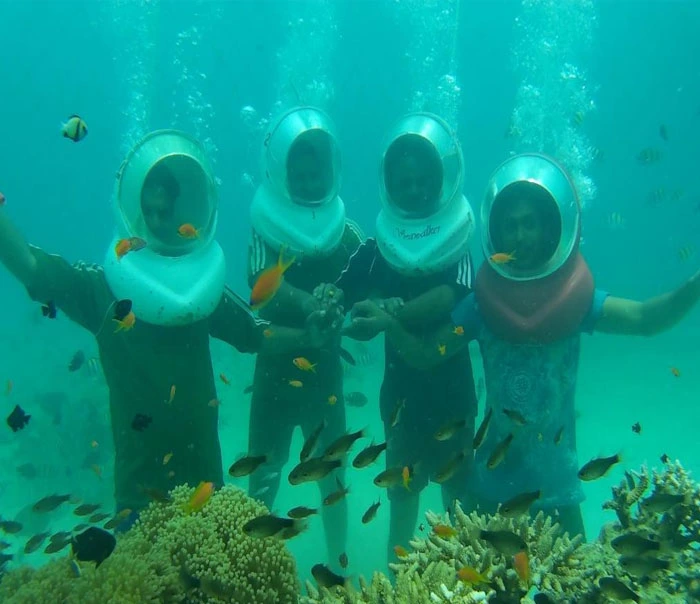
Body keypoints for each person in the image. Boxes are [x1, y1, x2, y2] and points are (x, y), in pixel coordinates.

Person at [366, 152, 700, 538]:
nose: (520, 236)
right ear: (497, 231)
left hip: (557, 486)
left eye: (530, 223)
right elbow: (428, 355)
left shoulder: (576, 300)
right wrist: (391, 325)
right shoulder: (481, 304)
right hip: (489, 481)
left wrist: (692, 288)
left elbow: (644, 320)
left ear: (549, 227)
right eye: (510, 225)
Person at [0, 129, 330, 516]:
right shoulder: (102, 288)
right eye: (148, 211)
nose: (155, 222)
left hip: (207, 488)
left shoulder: (201, 290)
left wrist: (308, 335)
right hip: (139, 498)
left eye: (164, 212)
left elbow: (256, 334)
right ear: (132, 209)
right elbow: (34, 270)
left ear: (178, 213)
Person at [337, 112, 478, 561]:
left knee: (458, 498)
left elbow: (451, 294)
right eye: (404, 182)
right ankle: (400, 581)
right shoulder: (378, 248)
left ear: (441, 184)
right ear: (389, 186)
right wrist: (326, 298)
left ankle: (466, 579)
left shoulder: (458, 241)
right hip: (400, 399)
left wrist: (388, 314)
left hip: (453, 396)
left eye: (423, 181)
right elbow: (343, 290)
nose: (414, 190)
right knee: (401, 497)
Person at [247, 107, 362, 560]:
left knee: (332, 481)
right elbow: (258, 287)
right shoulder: (264, 228)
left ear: (331, 174)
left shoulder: (347, 234)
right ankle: (252, 567)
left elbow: (365, 281)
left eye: (318, 175)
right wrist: (310, 304)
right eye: (300, 175)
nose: (311, 184)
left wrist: (344, 305)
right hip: (274, 378)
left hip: (325, 383)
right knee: (263, 478)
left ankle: (337, 568)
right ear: (281, 175)